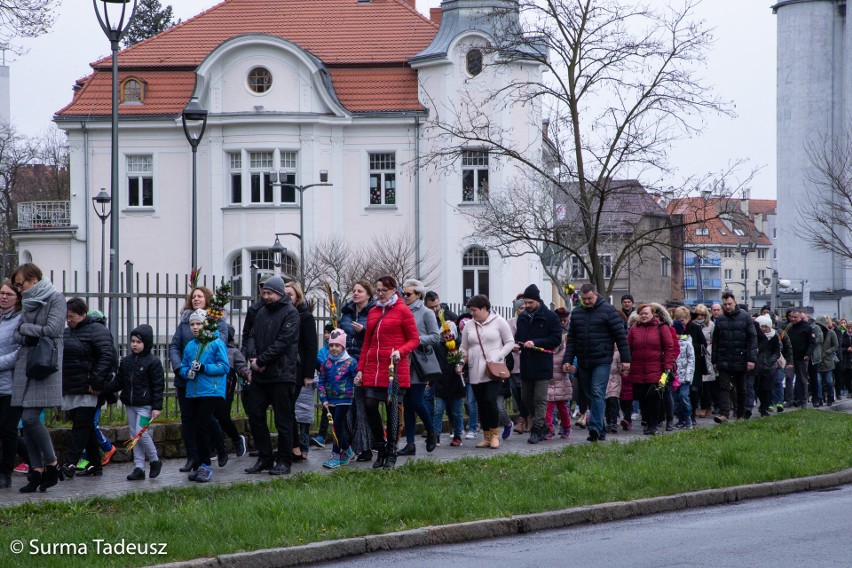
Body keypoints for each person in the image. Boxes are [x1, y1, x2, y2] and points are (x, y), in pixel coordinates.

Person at [10, 264, 66, 493]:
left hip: (45, 365)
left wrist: (27, 329)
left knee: (31, 418)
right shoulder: (29, 302)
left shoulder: (56, 298)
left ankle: (52, 464)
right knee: (26, 424)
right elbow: (16, 333)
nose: (19, 288)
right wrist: (28, 332)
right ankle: (37, 472)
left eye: (20, 283)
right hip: (27, 364)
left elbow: (53, 329)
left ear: (33, 280)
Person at [354, 275, 420, 469]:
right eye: (378, 290)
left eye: (384, 290)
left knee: (392, 410)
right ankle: (380, 447)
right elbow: (367, 343)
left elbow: (414, 339)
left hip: (394, 368)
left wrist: (400, 351)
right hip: (374, 368)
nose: (380, 294)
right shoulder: (373, 311)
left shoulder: (403, 311)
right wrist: (360, 370)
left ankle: (391, 451)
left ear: (394, 290)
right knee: (369, 404)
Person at [244, 276, 300, 476]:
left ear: (279, 293)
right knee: (255, 414)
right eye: (264, 293)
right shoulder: (261, 313)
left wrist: (261, 361)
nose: (266, 296)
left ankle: (284, 460)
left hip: (281, 375)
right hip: (260, 375)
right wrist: (252, 356)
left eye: (270, 293)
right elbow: (251, 335)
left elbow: (283, 342)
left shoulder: (291, 313)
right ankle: (265, 457)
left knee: (283, 420)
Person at [169, 286, 229, 472]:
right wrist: (181, 369)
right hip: (187, 380)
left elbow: (221, 353)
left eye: (200, 296)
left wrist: (203, 366)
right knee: (189, 419)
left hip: (207, 384)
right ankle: (193, 457)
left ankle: (217, 449)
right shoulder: (185, 322)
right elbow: (175, 346)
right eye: (193, 296)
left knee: (204, 420)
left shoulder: (215, 322)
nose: (195, 299)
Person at [562, 283, 631, 443]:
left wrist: (626, 360)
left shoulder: (608, 311)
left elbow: (621, 337)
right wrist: (568, 360)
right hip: (584, 360)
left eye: (589, 298)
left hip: (602, 359)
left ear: (596, 295)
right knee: (589, 395)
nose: (586, 301)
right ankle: (599, 428)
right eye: (584, 299)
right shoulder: (577, 313)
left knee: (598, 391)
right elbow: (571, 340)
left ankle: (594, 427)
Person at [59, 298, 117, 480]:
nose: (69, 320)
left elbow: (107, 356)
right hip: (72, 386)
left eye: (72, 316)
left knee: (81, 426)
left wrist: (97, 381)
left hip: (90, 388)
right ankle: (95, 464)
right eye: (66, 317)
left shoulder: (97, 330)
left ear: (83, 314)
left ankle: (70, 463)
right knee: (87, 427)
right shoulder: (67, 333)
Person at [102, 324, 164, 480]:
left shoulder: (153, 362)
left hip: (145, 406)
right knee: (133, 436)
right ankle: (139, 467)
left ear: (147, 343)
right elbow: (119, 381)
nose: (134, 344)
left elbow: (158, 385)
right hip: (130, 404)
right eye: (132, 341)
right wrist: (102, 388)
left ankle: (155, 460)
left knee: (140, 433)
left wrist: (157, 407)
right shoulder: (127, 361)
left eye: (138, 342)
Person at [458, 294, 514, 449]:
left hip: (493, 370)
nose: (472, 313)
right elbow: (464, 347)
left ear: (484, 308)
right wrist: (461, 362)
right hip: (475, 370)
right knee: (481, 403)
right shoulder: (469, 325)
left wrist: (499, 355)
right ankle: (487, 436)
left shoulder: (499, 321)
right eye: (471, 310)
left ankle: (495, 435)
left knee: (490, 400)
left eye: (475, 310)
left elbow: (510, 342)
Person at [514, 284, 563, 444]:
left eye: (529, 303)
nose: (526, 306)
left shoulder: (550, 317)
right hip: (526, 364)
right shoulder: (522, 317)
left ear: (537, 300)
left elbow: (556, 339)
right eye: (525, 303)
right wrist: (517, 345)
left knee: (540, 399)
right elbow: (519, 337)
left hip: (542, 364)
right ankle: (543, 426)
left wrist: (536, 342)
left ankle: (536, 429)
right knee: (526, 397)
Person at [398, 279, 439, 456]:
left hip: (418, 362)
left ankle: (431, 431)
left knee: (416, 400)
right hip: (403, 361)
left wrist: (415, 341)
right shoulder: (401, 311)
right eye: (403, 294)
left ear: (418, 295)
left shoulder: (426, 313)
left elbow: (436, 337)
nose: (404, 297)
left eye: (408, 294)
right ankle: (410, 443)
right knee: (407, 404)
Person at [339, 279, 376, 462]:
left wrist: (364, 330)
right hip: (347, 363)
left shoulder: (375, 312)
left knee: (361, 406)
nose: (355, 294)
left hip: (364, 363)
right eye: (354, 290)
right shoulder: (346, 313)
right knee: (347, 406)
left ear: (368, 294)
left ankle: (366, 447)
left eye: (359, 291)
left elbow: (377, 334)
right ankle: (350, 446)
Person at [627, 304, 677, 435]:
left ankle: (654, 425)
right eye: (641, 313)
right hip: (638, 370)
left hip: (658, 370)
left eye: (646, 313)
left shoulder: (662, 328)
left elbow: (669, 348)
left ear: (653, 314)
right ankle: (648, 423)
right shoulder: (634, 329)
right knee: (642, 398)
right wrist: (626, 364)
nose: (643, 316)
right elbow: (628, 348)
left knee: (654, 397)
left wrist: (667, 368)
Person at [283, 281, 318, 463]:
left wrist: (308, 374)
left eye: (290, 294)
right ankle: (293, 447)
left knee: (288, 409)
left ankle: (295, 447)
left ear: (297, 296)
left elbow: (311, 347)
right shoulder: (282, 315)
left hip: (298, 369)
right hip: (284, 368)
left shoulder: (305, 317)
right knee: (286, 409)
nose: (287, 297)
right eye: (285, 294)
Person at [711, 292, 758, 424]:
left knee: (741, 388)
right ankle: (725, 414)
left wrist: (751, 359)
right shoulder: (720, 320)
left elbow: (752, 339)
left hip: (741, 357)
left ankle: (740, 413)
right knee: (724, 387)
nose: (727, 306)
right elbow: (715, 341)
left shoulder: (745, 317)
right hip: (724, 357)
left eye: (729, 304)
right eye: (725, 304)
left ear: (735, 302)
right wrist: (714, 360)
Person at [317, 329, 358, 469]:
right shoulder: (326, 363)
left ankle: (336, 454)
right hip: (330, 400)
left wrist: (358, 379)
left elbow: (356, 376)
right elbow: (321, 381)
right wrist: (323, 399)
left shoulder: (350, 362)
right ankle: (348, 450)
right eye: (331, 345)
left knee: (336, 425)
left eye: (337, 345)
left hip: (344, 399)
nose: (334, 348)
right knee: (337, 427)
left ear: (343, 347)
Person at [0, 279, 21, 489]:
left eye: (9, 294)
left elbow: (20, 352)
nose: (4, 297)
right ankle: (37, 461)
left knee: (7, 430)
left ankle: (5, 472)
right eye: (2, 293)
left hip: (11, 385)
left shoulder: (20, 320)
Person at [219, 325, 248, 458]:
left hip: (227, 387)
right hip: (210, 387)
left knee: (223, 416)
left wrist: (246, 374)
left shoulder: (233, 352)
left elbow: (241, 367)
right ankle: (216, 446)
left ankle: (237, 439)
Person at [506, 297, 531, 434]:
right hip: (514, 362)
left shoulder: (530, 321)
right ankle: (524, 418)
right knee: (516, 393)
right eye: (520, 308)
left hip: (526, 362)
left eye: (525, 308)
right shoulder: (510, 322)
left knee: (525, 394)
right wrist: (512, 346)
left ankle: (525, 419)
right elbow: (506, 339)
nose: (523, 310)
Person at [783, 307, 816, 408]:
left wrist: (808, 354)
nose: (792, 319)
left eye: (795, 317)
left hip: (802, 357)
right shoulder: (788, 327)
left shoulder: (807, 327)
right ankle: (789, 399)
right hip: (790, 357)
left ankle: (803, 400)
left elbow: (812, 342)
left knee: (802, 379)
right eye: (791, 317)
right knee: (789, 378)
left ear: (800, 317)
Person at [755, 315, 781, 416]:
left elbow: (777, 351)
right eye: (762, 326)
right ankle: (762, 405)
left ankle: (764, 408)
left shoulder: (775, 336)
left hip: (769, 367)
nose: (764, 329)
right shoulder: (755, 336)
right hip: (757, 366)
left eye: (766, 327)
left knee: (767, 388)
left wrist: (770, 361)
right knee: (758, 388)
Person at [672, 320, 695, 429]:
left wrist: (688, 376)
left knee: (684, 397)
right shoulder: (670, 343)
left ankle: (688, 418)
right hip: (673, 377)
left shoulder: (687, 343)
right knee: (675, 400)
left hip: (684, 377)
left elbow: (691, 360)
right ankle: (680, 419)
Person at [816, 315, 838, 406]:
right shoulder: (816, 334)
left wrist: (827, 352)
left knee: (829, 381)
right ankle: (820, 398)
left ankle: (830, 396)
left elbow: (836, 345)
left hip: (828, 361)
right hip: (818, 361)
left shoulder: (831, 333)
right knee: (818, 380)